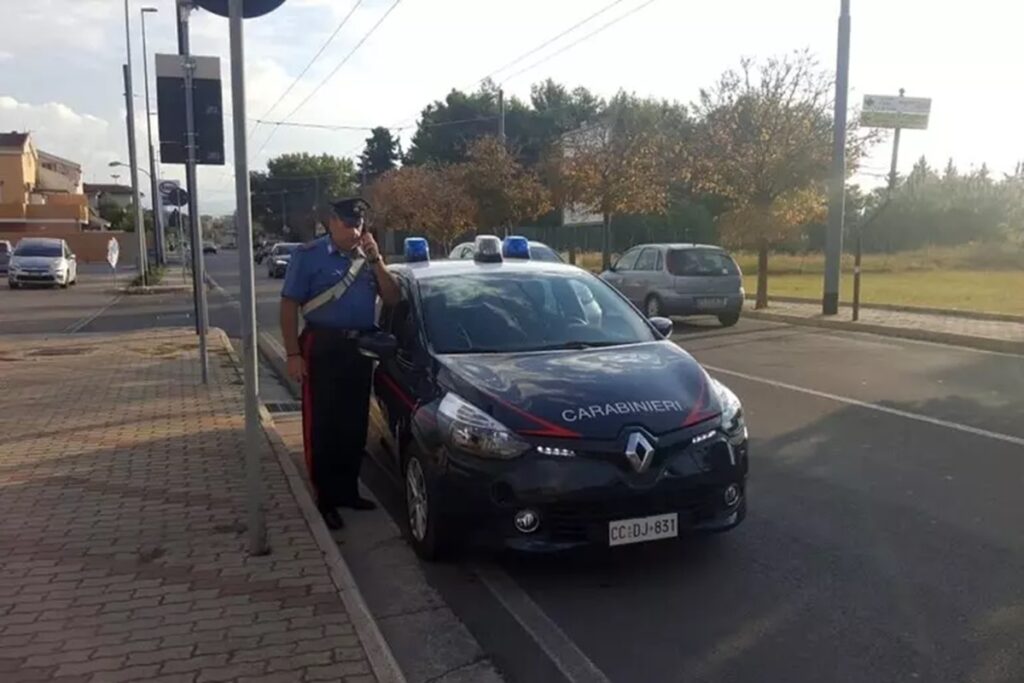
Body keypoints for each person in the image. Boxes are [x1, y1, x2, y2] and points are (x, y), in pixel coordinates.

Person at [279, 197, 400, 530]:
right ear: (331, 221)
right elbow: (289, 306)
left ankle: (348, 490)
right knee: (323, 425)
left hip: (358, 347)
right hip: (322, 345)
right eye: (348, 224)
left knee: (353, 424)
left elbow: (391, 297)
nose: (355, 230)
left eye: (359, 224)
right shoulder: (308, 256)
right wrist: (293, 355)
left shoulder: (367, 257)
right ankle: (325, 497)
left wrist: (376, 260)